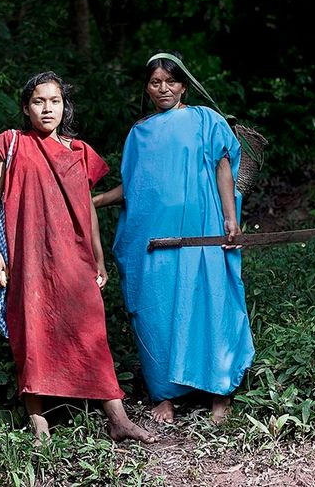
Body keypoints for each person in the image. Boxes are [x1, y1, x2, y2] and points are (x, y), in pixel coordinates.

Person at [0, 71, 156, 444]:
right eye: (39, 102)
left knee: (91, 328)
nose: (47, 109)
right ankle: (39, 423)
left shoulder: (79, 151)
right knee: (32, 330)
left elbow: (86, 209)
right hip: (28, 258)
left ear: (65, 106)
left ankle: (118, 418)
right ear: (26, 108)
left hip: (73, 257)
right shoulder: (10, 143)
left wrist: (98, 257)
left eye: (55, 101)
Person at [93, 53, 255, 424]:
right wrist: (96, 200)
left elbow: (223, 168)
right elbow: (134, 186)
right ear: (147, 88)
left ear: (184, 84)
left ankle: (219, 391)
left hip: (202, 230)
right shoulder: (139, 133)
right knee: (156, 306)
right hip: (151, 237)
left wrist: (230, 220)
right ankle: (163, 394)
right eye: (155, 83)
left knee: (211, 301)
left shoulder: (205, 120)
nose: (163, 89)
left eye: (171, 81)